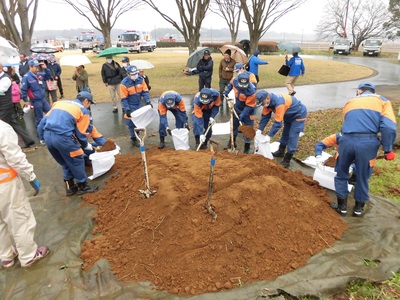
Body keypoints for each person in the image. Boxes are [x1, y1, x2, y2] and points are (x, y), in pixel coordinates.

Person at [332, 82, 397, 217]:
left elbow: (348, 121)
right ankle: (358, 209)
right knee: (362, 177)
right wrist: (388, 149)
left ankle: (341, 207)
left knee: (341, 173)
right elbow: (389, 128)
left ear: (359, 91)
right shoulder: (382, 101)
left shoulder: (350, 101)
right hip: (367, 143)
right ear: (373, 92)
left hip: (346, 140)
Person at [0, 119, 49, 269]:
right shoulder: (2, 128)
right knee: (20, 219)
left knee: (0, 223)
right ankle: (28, 256)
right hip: (5, 184)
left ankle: (6, 256)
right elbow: (14, 158)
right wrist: (30, 176)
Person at [37, 91, 98, 196]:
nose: (89, 106)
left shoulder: (59, 104)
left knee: (65, 161)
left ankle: (70, 187)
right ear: (86, 101)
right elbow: (80, 133)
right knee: (77, 159)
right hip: (64, 138)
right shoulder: (83, 111)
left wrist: (42, 138)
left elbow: (42, 123)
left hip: (48, 136)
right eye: (90, 103)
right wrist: (85, 145)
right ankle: (82, 186)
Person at [255, 89, 307, 168]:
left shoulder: (279, 103)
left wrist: (269, 136)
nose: (262, 105)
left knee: (293, 136)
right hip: (288, 114)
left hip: (298, 115)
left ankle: (287, 158)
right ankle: (281, 151)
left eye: (262, 103)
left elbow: (278, 124)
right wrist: (259, 130)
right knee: (285, 133)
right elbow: (265, 117)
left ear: (267, 99)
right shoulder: (267, 103)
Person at [0, 63, 35, 148]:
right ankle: (28, 140)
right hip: (3, 106)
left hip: (5, 106)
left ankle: (7, 145)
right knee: (14, 124)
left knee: (2, 126)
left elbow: (2, 90)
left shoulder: (5, 78)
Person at [223, 72, 257, 154]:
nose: (242, 88)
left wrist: (243, 115)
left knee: (248, 129)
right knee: (234, 125)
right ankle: (232, 143)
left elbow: (249, 106)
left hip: (249, 111)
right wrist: (227, 91)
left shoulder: (251, 91)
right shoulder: (235, 80)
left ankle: (246, 148)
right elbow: (230, 84)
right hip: (237, 107)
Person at [120, 65, 151, 147]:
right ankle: (133, 138)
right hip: (130, 104)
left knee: (139, 120)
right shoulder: (124, 84)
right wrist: (127, 109)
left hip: (139, 104)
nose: (135, 76)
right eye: (133, 74)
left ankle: (137, 134)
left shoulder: (141, 80)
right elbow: (124, 98)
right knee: (131, 122)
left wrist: (148, 101)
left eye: (136, 73)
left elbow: (145, 91)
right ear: (128, 74)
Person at [21, 59, 52, 127]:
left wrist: (46, 68)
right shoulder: (26, 77)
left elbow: (48, 76)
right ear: (31, 67)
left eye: (38, 67)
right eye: (35, 67)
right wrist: (25, 100)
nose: (37, 69)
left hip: (43, 99)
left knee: (50, 112)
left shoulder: (39, 75)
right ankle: (40, 134)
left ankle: (48, 127)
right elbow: (23, 90)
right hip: (36, 101)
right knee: (39, 118)